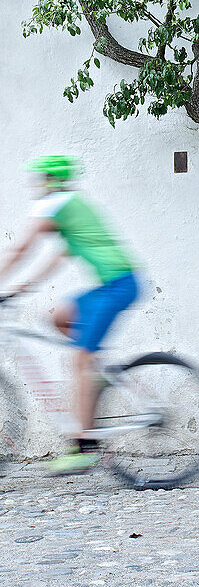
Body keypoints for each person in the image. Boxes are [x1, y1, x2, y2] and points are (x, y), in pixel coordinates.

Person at [0, 156, 140, 475]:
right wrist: (17, 290)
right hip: (115, 284)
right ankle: (95, 372)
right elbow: (54, 260)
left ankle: (83, 447)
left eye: (41, 179)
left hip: (118, 285)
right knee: (59, 317)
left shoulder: (58, 202)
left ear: (52, 179)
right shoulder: (73, 208)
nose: (37, 186)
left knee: (78, 360)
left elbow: (21, 249)